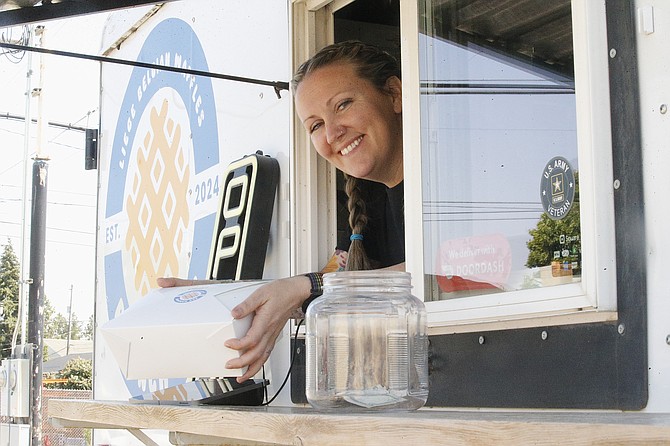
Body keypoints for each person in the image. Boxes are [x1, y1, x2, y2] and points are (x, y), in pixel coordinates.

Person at [157, 40, 405, 382]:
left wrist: (307, 286)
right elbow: (343, 285)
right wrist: (223, 298)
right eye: (315, 125)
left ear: (394, 94)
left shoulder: (448, 176)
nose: (332, 133)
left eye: (343, 105)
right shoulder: (366, 203)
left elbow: (442, 270)